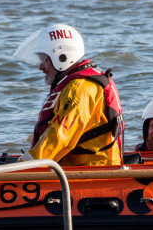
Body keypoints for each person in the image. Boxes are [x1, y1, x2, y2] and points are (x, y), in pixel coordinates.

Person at [13, 23, 123, 166]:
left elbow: (59, 137)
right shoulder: (76, 85)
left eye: (43, 60)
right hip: (80, 169)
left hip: (92, 173)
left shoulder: (80, 89)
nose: (40, 67)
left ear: (62, 58)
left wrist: (21, 166)